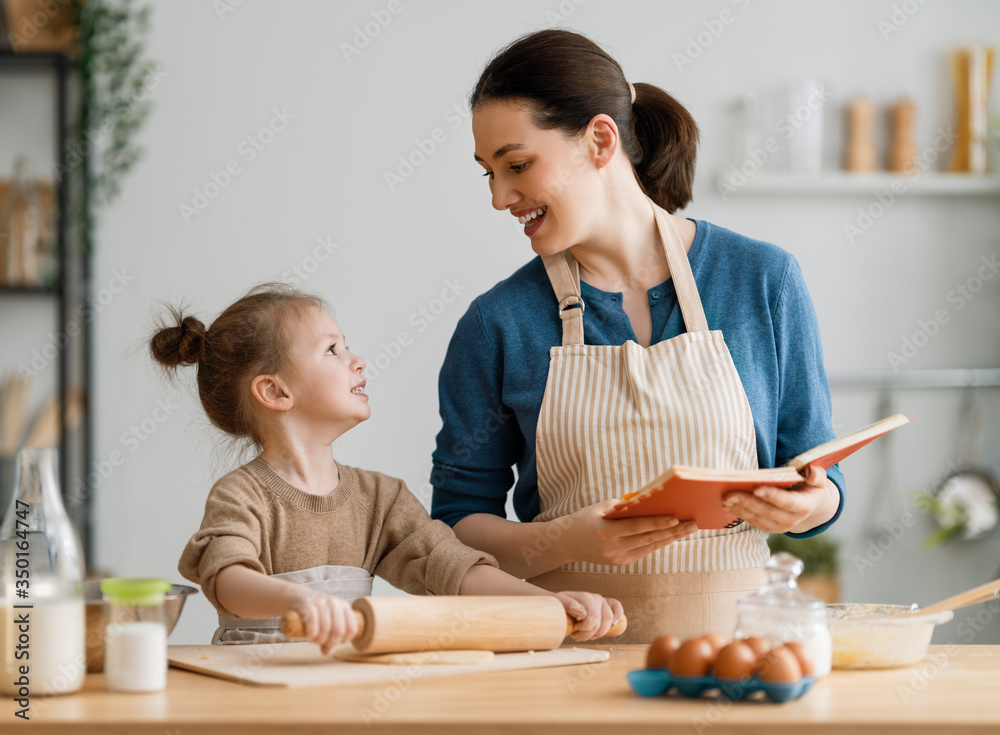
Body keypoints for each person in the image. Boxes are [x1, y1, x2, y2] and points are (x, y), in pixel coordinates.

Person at [430, 29, 845, 643]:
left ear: (601, 140)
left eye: (516, 165)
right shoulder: (498, 322)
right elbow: (457, 528)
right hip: (564, 657)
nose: (498, 197)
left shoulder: (762, 280)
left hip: (738, 656)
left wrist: (806, 507)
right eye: (488, 173)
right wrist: (568, 539)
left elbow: (819, 478)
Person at [152, 283, 622, 652]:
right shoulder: (241, 496)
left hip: (343, 697)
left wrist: (550, 603)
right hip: (252, 701)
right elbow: (225, 578)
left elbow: (455, 571)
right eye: (332, 350)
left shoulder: (381, 499)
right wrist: (299, 602)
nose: (358, 361)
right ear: (275, 392)